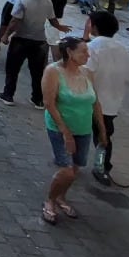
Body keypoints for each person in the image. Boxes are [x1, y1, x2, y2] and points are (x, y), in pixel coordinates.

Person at [39, 37, 107, 225]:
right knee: (67, 170)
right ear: (69, 52)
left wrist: (101, 129)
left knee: (75, 168)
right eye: (83, 51)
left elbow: (95, 102)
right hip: (60, 128)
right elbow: (49, 104)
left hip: (83, 128)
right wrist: (65, 132)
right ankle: (51, 200)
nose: (88, 54)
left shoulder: (86, 72)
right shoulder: (53, 71)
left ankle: (62, 196)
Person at [0, 0, 68, 108]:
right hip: (40, 41)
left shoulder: (22, 1)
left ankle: (8, 95)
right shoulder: (47, 1)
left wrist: (6, 35)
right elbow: (52, 19)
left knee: (12, 69)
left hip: (21, 39)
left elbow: (14, 21)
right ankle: (37, 99)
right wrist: (60, 27)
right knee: (38, 72)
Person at [84, 11, 129, 187]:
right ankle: (102, 166)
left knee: (85, 133)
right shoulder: (121, 48)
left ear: (94, 27)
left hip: (92, 100)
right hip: (112, 101)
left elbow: (87, 74)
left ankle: (76, 162)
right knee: (104, 136)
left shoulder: (92, 48)